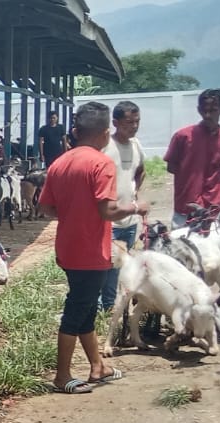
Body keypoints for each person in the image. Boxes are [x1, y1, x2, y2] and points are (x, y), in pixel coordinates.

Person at [38, 102, 145, 396]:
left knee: (84, 307)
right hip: (91, 249)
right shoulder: (100, 163)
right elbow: (108, 210)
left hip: (68, 248)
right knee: (76, 310)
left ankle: (98, 366)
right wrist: (137, 207)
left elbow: (46, 207)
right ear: (104, 133)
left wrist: (74, 212)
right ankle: (62, 376)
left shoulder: (60, 163)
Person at [165, 89, 220, 227]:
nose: (207, 115)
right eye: (204, 110)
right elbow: (171, 167)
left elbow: (219, 168)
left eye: (213, 110)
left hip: (214, 207)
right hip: (186, 207)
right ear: (198, 110)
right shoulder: (182, 136)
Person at [101, 101, 146, 311]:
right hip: (109, 218)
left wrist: (134, 193)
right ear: (116, 122)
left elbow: (141, 171)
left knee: (122, 264)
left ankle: (114, 303)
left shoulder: (136, 145)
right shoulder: (106, 147)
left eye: (137, 122)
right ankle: (108, 305)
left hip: (130, 218)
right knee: (109, 264)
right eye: (129, 122)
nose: (134, 126)